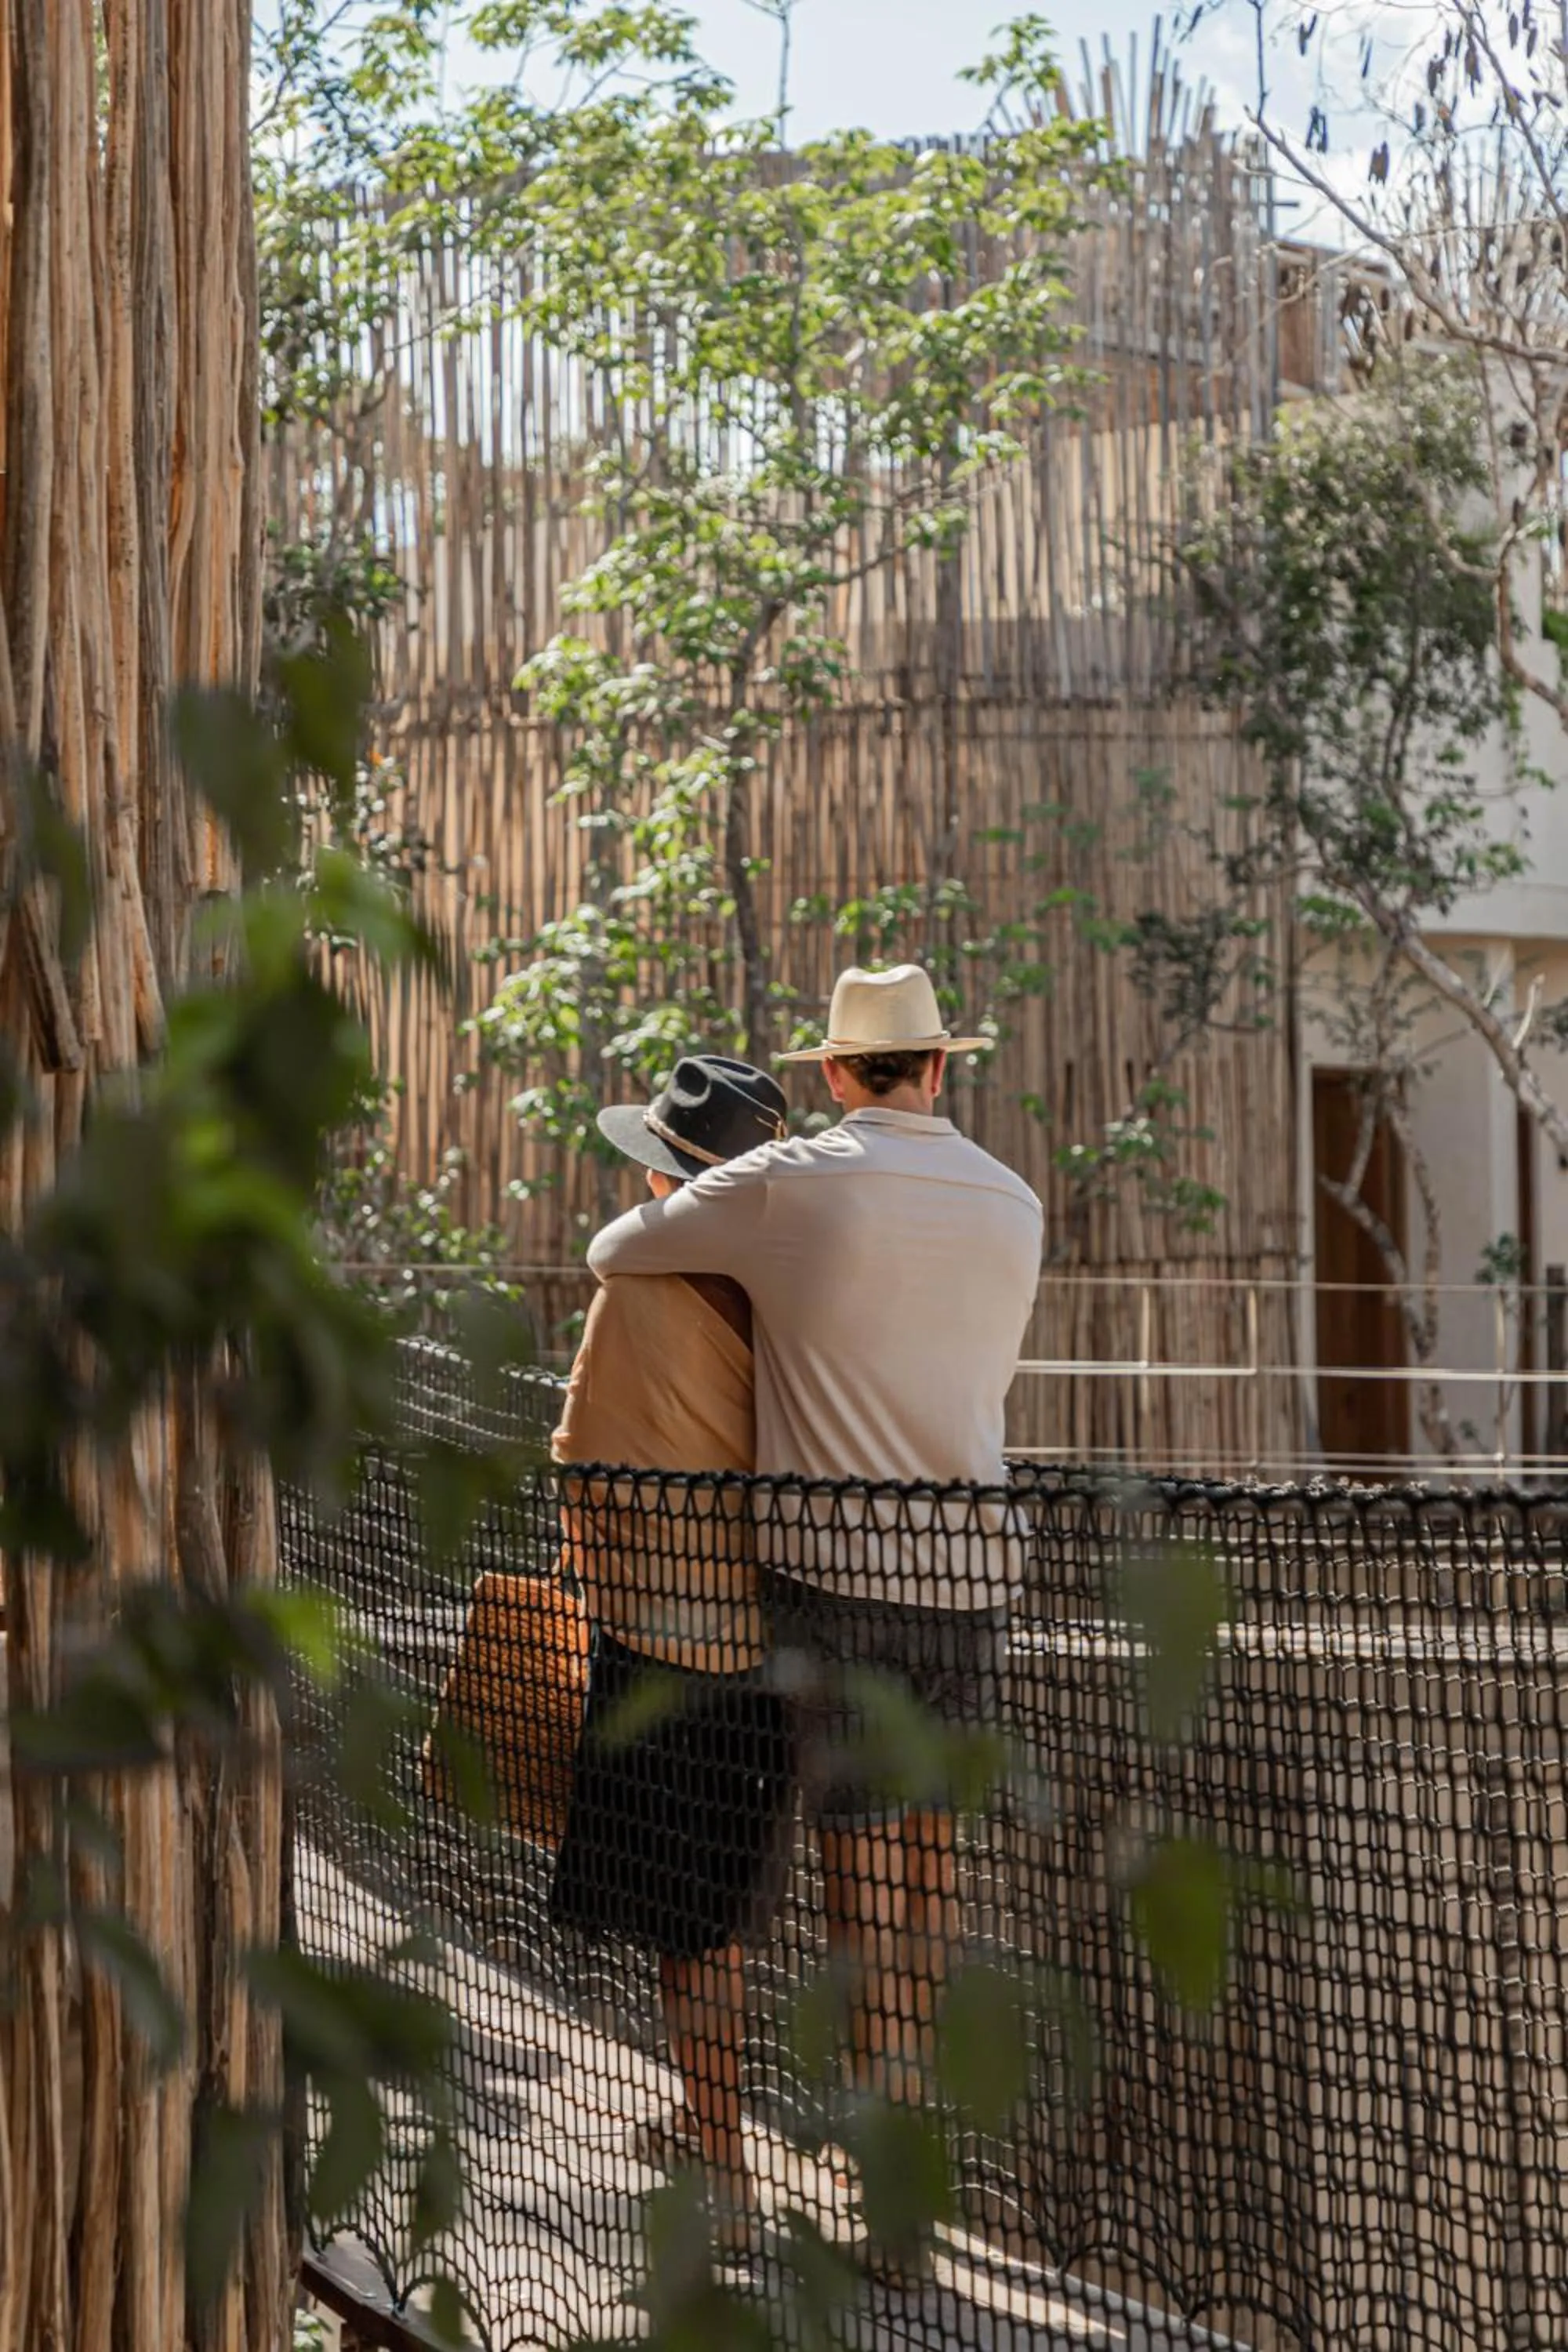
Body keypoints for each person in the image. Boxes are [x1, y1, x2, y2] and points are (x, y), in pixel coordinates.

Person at [586, 965, 1044, 2118]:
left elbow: (615, 1250)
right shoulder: (1016, 1201)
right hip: (975, 1566)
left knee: (861, 1879)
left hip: (838, 1574)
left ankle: (874, 2142)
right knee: (932, 1866)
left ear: (835, 1074)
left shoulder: (789, 1183)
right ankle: (909, 2131)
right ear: (938, 1067)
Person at [548, 1054, 793, 2246]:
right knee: (732, 1912)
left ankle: (725, 2163)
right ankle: (713, 2128)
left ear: (663, 1173)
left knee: (686, 1928)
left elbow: (582, 1453)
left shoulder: (634, 1285)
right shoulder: (797, 1291)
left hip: (656, 1636)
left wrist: (592, 1566)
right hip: (779, 1637)